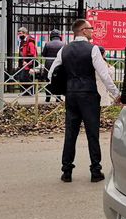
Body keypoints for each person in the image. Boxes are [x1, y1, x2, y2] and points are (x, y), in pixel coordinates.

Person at [49, 19, 120, 183]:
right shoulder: (93, 49)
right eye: (90, 28)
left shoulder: (64, 49)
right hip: (88, 95)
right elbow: (104, 75)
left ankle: (66, 171)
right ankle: (96, 171)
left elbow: (51, 72)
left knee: (70, 133)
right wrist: (116, 94)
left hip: (71, 95)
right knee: (92, 134)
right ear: (82, 30)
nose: (92, 31)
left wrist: (64, 86)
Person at [41, 29, 65, 103]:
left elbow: (43, 54)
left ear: (51, 36)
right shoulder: (63, 44)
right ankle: (58, 98)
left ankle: (47, 98)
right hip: (59, 64)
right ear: (59, 36)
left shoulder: (47, 44)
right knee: (59, 81)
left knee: (48, 81)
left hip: (48, 65)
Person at [17, 27, 38, 96]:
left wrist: (26, 61)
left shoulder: (30, 41)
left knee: (25, 77)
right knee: (22, 78)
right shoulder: (24, 41)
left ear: (25, 33)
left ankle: (31, 92)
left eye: (20, 34)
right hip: (24, 63)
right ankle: (26, 92)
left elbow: (32, 53)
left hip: (28, 63)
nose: (19, 35)